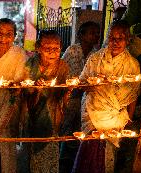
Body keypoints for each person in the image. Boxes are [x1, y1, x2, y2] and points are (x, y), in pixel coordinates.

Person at [72, 20, 140, 173]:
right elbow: (81, 83)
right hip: (92, 112)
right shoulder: (95, 59)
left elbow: (133, 94)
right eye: (112, 38)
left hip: (114, 118)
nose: (115, 42)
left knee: (107, 157)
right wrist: (92, 85)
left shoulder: (132, 64)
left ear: (127, 40)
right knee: (88, 152)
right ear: (107, 38)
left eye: (120, 38)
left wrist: (129, 117)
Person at [0, 18, 28, 173]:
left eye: (9, 34)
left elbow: (20, 79)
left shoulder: (19, 54)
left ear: (14, 36)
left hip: (9, 105)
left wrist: (12, 87)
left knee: (7, 146)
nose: (3, 38)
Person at [25, 30, 69, 173]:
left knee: (50, 150)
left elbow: (62, 94)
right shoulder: (30, 65)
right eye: (47, 48)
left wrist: (67, 91)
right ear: (38, 48)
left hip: (52, 115)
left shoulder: (62, 66)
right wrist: (34, 89)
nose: (52, 52)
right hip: (32, 116)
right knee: (34, 154)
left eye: (56, 49)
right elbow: (23, 92)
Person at [60, 21, 100, 172]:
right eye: (92, 33)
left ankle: (74, 160)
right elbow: (62, 70)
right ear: (81, 35)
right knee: (65, 126)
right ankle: (62, 158)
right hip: (69, 96)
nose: (95, 36)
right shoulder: (72, 50)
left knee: (79, 129)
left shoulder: (96, 55)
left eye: (97, 32)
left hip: (85, 98)